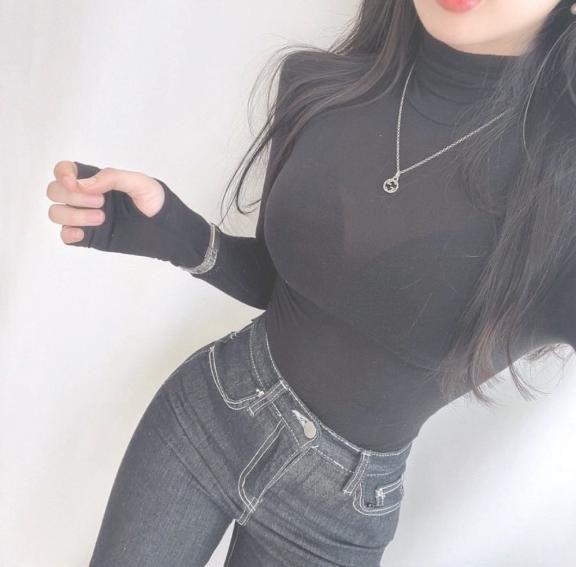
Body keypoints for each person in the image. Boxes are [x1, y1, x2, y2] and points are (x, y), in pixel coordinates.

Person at [45, 1, 576, 565]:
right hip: (207, 411)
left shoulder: (563, 195)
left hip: (335, 515)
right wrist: (177, 234)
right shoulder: (319, 86)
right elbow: (289, 289)